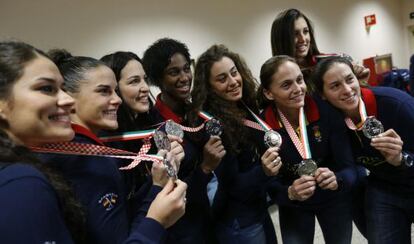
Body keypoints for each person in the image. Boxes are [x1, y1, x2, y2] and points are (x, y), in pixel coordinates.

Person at [41, 49, 187, 244]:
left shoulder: (72, 147)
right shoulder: (84, 158)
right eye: (104, 91)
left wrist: (155, 181)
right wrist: (157, 190)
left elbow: (122, 214)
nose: (117, 99)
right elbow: (126, 238)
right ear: (69, 98)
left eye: (115, 91)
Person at [313, 56, 414, 244]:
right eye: (335, 86)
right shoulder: (331, 124)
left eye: (349, 79)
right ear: (323, 94)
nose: (347, 90)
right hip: (385, 188)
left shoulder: (395, 104)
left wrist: (402, 158)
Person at [258, 55, 358, 244]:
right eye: (286, 85)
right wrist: (289, 192)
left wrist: (338, 178)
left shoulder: (326, 111)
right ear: (268, 93)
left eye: (299, 80)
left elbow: (350, 168)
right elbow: (267, 183)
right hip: (295, 204)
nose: (298, 89)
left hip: (333, 198)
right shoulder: (262, 127)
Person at [0, 41, 86, 243]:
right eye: (47, 88)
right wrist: (154, 223)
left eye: (62, 88)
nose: (68, 100)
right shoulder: (20, 182)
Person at [190, 44, 278, 244]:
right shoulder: (214, 127)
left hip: (258, 208)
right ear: (209, 88)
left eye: (234, 73)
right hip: (239, 220)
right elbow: (232, 186)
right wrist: (263, 171)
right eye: (222, 79)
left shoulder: (244, 107)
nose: (233, 82)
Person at [142, 38, 225, 243]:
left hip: (206, 215)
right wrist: (205, 167)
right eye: (173, 72)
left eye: (186, 69)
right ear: (157, 79)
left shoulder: (193, 112)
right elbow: (168, 188)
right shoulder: (154, 127)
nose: (184, 77)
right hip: (180, 229)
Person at [100, 51, 185, 221]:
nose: (146, 87)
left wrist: (174, 165)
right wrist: (155, 181)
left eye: (144, 79)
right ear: (113, 90)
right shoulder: (107, 145)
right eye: (134, 81)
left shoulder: (153, 125)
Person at [270, 8, 370, 91]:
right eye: (295, 34)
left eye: (305, 31)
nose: (303, 39)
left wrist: (360, 81)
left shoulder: (332, 62)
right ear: (281, 39)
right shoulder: (275, 78)